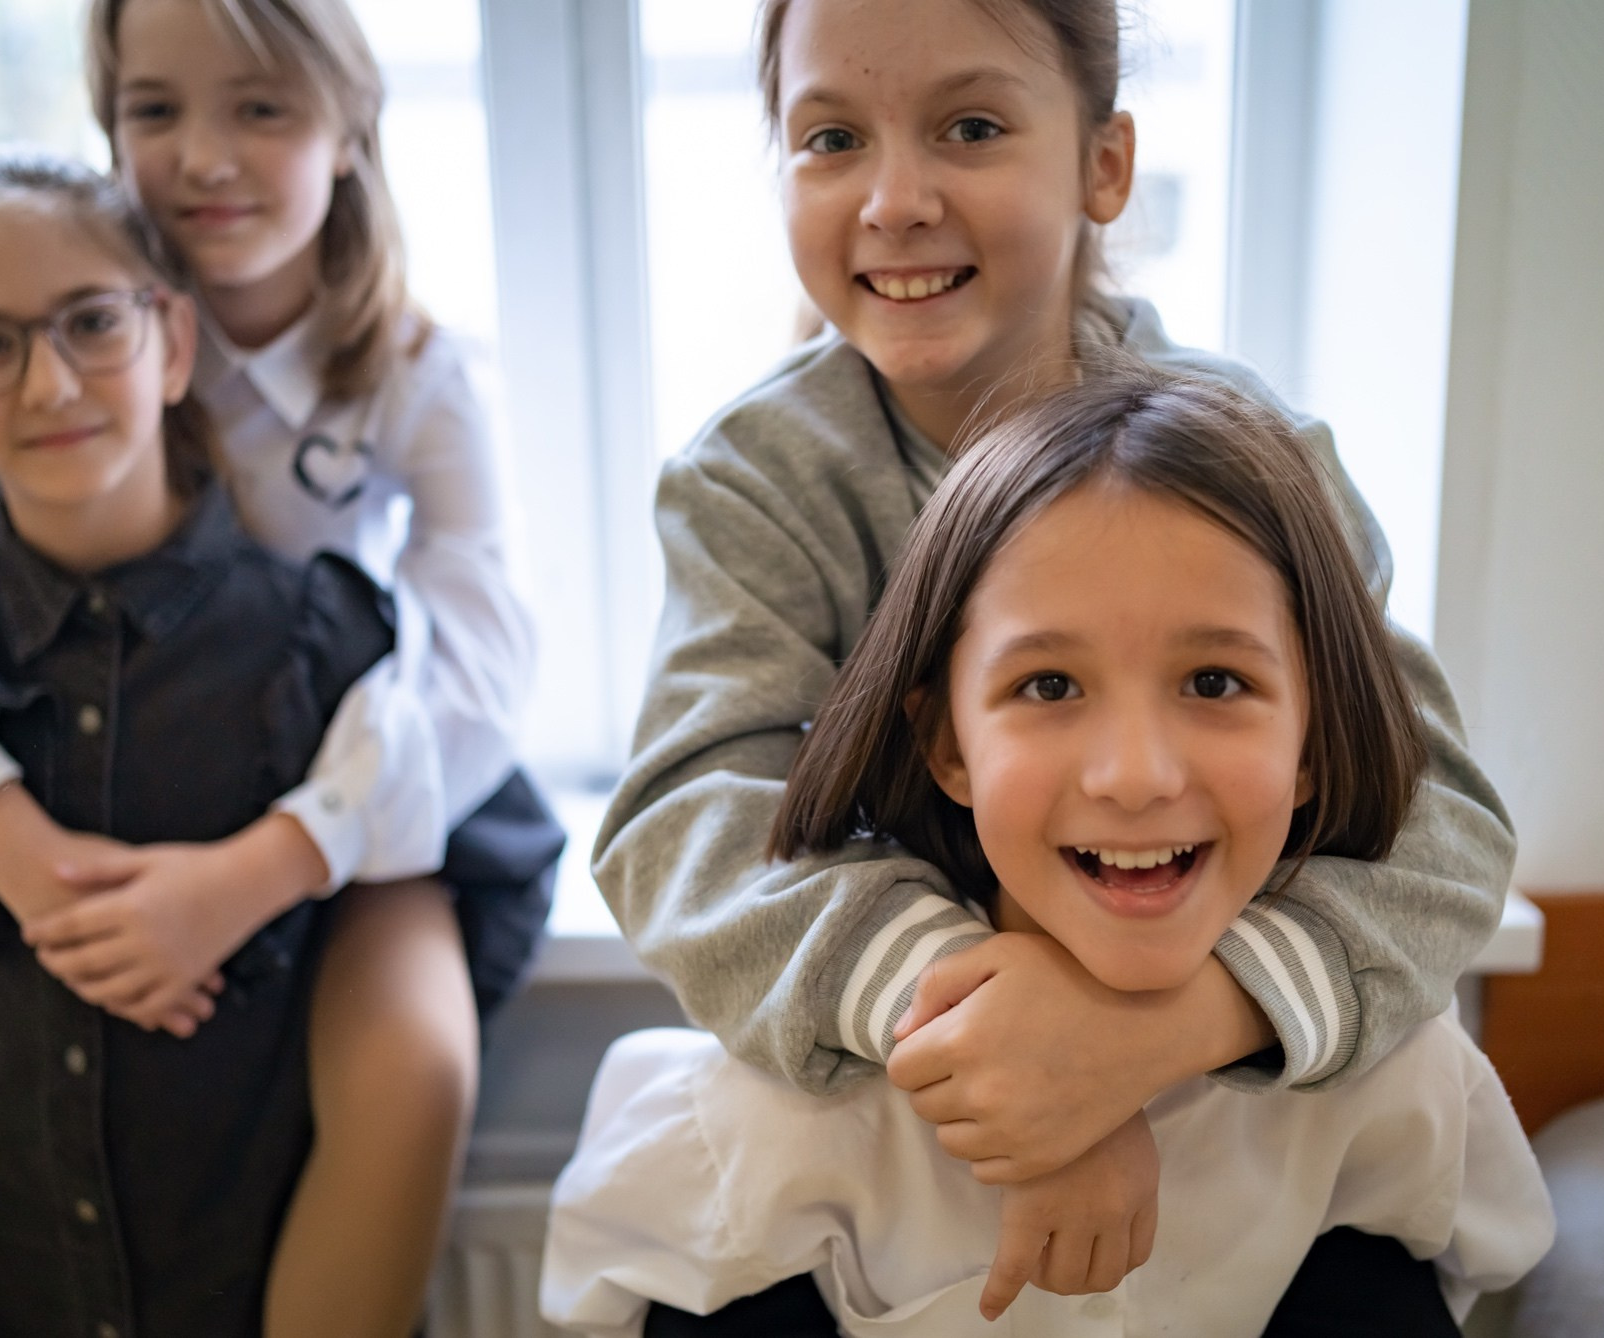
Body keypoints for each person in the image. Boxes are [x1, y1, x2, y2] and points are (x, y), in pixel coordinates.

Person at [590, 0, 1515, 1328]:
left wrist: (1150, 1035)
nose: (893, 199)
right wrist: (1006, 1049)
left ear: (1103, 164)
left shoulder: (1255, 459)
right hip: (882, 1149)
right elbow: (684, 828)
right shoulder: (757, 482)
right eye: (830, 137)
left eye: (968, 127)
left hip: (1233, 1126)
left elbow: (1441, 822)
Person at [0, 3, 560, 1334]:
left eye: (259, 108)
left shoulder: (411, 370)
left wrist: (265, 865)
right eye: (156, 112)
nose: (205, 156)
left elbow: (478, 653)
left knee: (413, 1058)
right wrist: (8, 839)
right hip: (44, 747)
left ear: (347, 127)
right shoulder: (53, 312)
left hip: (325, 775)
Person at [546, 366, 1553, 1337]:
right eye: (1049, 688)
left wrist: (1129, 1056)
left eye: (1212, 684)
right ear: (947, 747)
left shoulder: (1395, 1091)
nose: (1134, 775)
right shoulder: (777, 1133)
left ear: (1313, 745)